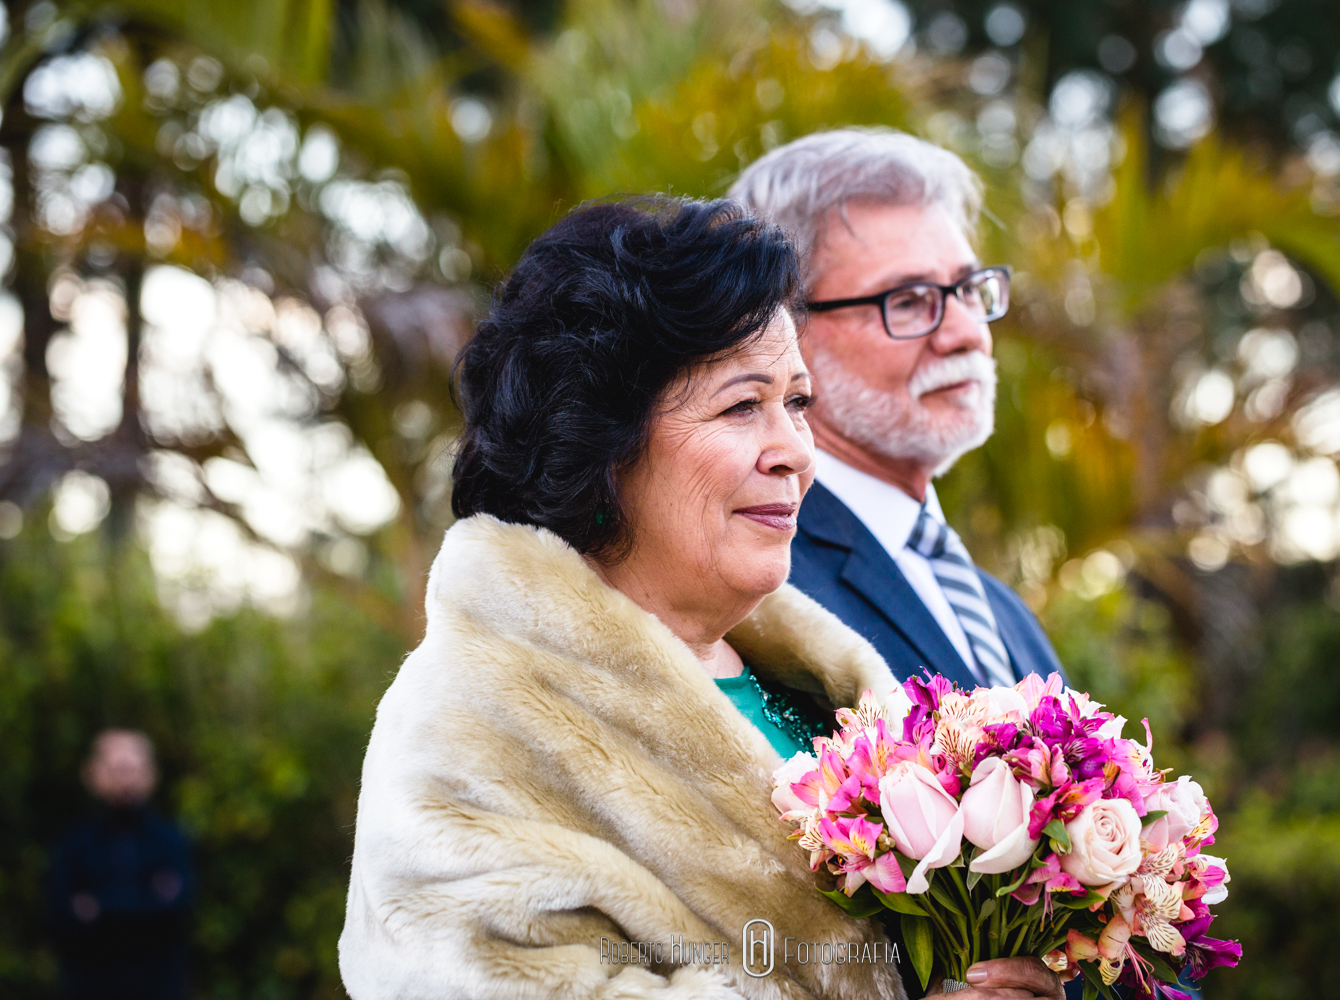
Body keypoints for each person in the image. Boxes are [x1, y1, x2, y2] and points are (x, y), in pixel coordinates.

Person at [338, 198, 1064, 1000]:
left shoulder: (828, 685)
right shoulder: (468, 718)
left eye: (796, 403)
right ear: (600, 442)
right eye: (741, 406)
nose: (794, 453)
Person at [729, 129, 1064, 695]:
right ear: (783, 330)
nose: (965, 334)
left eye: (967, 289)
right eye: (907, 301)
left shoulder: (1003, 612)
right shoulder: (762, 593)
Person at [48, 729, 194, 1000]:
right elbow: (61, 916)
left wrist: (98, 908)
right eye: (116, 769)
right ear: (92, 773)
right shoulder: (73, 845)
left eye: (133, 769)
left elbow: (177, 909)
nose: (126, 779)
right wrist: (146, 904)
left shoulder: (171, 842)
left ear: (151, 774)